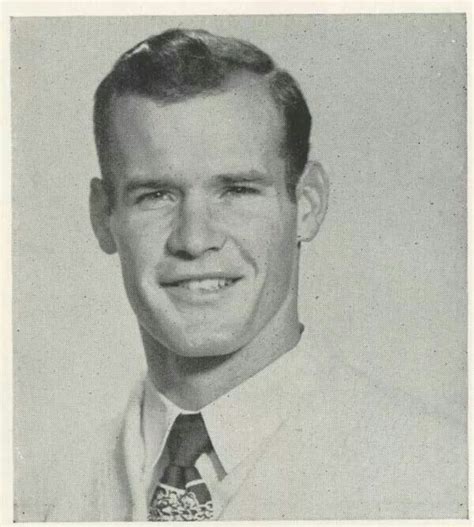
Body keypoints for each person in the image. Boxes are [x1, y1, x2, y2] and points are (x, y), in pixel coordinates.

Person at [44, 28, 466, 521]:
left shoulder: (439, 476)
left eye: (238, 190)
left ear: (307, 206)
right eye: (156, 195)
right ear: (103, 217)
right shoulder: (42, 491)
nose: (194, 239)